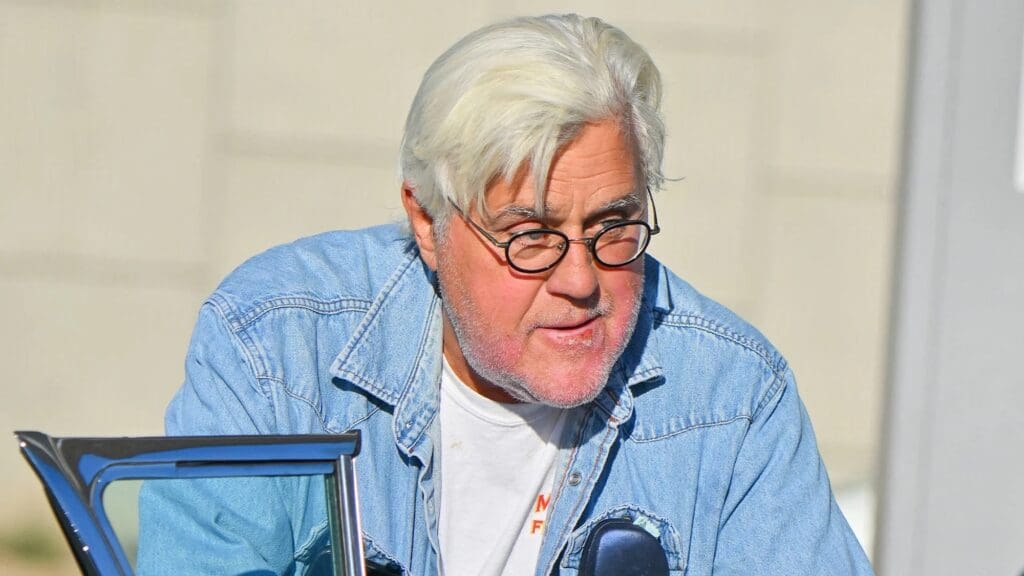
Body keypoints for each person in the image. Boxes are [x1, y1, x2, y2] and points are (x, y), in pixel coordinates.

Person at [142, 13, 874, 576]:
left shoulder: (734, 397)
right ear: (426, 221)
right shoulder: (275, 346)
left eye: (614, 227)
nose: (581, 279)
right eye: (530, 236)